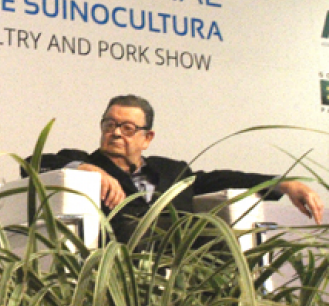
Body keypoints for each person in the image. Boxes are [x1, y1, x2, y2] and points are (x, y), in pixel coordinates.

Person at [25, 94, 324, 243]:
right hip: (117, 266)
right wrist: (87, 169)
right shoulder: (81, 162)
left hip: (180, 268)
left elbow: (222, 178)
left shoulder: (173, 172)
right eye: (109, 125)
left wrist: (284, 184)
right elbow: (31, 164)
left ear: (147, 138)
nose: (115, 133)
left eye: (127, 128)